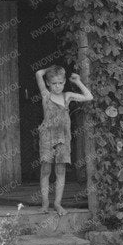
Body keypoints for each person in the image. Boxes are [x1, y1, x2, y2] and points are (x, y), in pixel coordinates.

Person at [35, 65, 92, 213]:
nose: (57, 86)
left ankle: (57, 203)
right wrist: (52, 68)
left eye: (60, 83)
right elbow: (38, 73)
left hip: (63, 138)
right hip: (47, 138)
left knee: (60, 171)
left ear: (64, 82)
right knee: (45, 170)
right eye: (54, 83)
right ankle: (45, 204)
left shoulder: (67, 96)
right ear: (48, 83)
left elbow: (89, 96)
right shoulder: (46, 95)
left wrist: (78, 82)